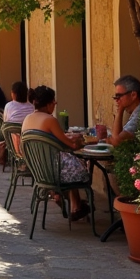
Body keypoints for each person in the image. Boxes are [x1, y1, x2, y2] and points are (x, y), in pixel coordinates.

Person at [21, 85, 90, 221]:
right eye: (54, 102)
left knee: (66, 161)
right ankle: (73, 203)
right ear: (48, 104)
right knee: (79, 166)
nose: (55, 104)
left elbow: (54, 139)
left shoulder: (27, 119)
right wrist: (84, 141)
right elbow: (70, 145)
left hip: (39, 171)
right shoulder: (50, 120)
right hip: (55, 171)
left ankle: (74, 205)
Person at [106, 75, 140, 147]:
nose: (117, 100)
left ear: (133, 95)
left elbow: (116, 141)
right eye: (115, 97)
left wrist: (120, 111)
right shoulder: (139, 109)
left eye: (119, 96)